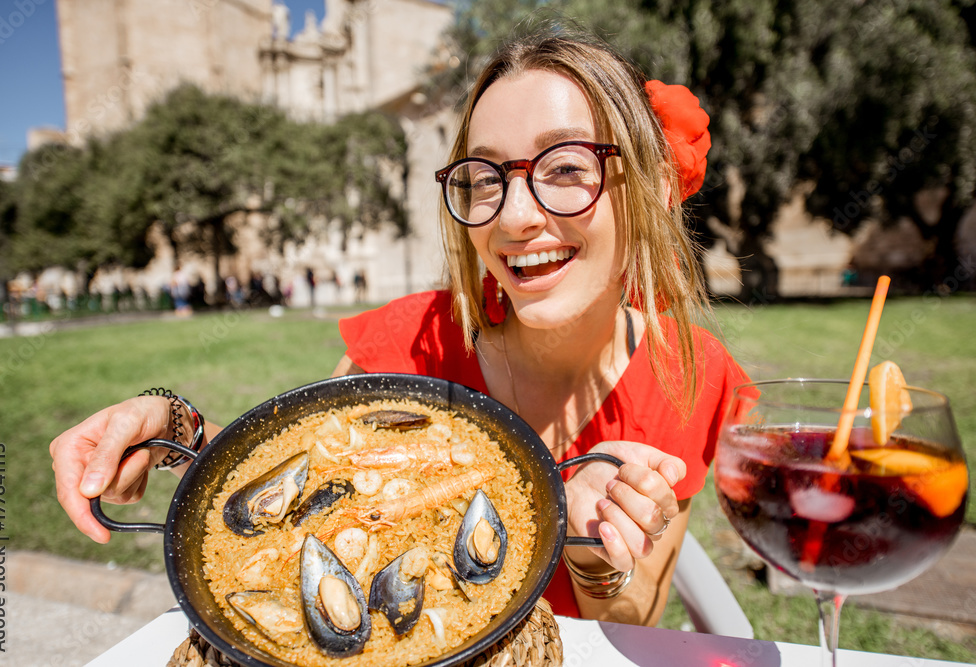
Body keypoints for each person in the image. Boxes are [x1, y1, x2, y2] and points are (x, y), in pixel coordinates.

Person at [49, 29, 748, 626]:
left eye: (565, 167)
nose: (512, 218)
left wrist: (592, 553)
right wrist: (170, 425)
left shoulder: (690, 373)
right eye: (485, 178)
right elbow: (287, 489)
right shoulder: (415, 342)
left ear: (653, 186)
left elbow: (640, 614)